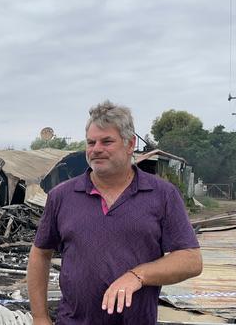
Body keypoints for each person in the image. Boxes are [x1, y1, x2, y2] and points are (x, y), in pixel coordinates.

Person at [27, 101, 202, 325]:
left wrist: (138, 275)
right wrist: (40, 317)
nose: (96, 149)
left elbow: (191, 260)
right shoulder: (62, 196)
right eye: (91, 142)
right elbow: (40, 253)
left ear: (130, 144)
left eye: (107, 141)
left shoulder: (162, 195)